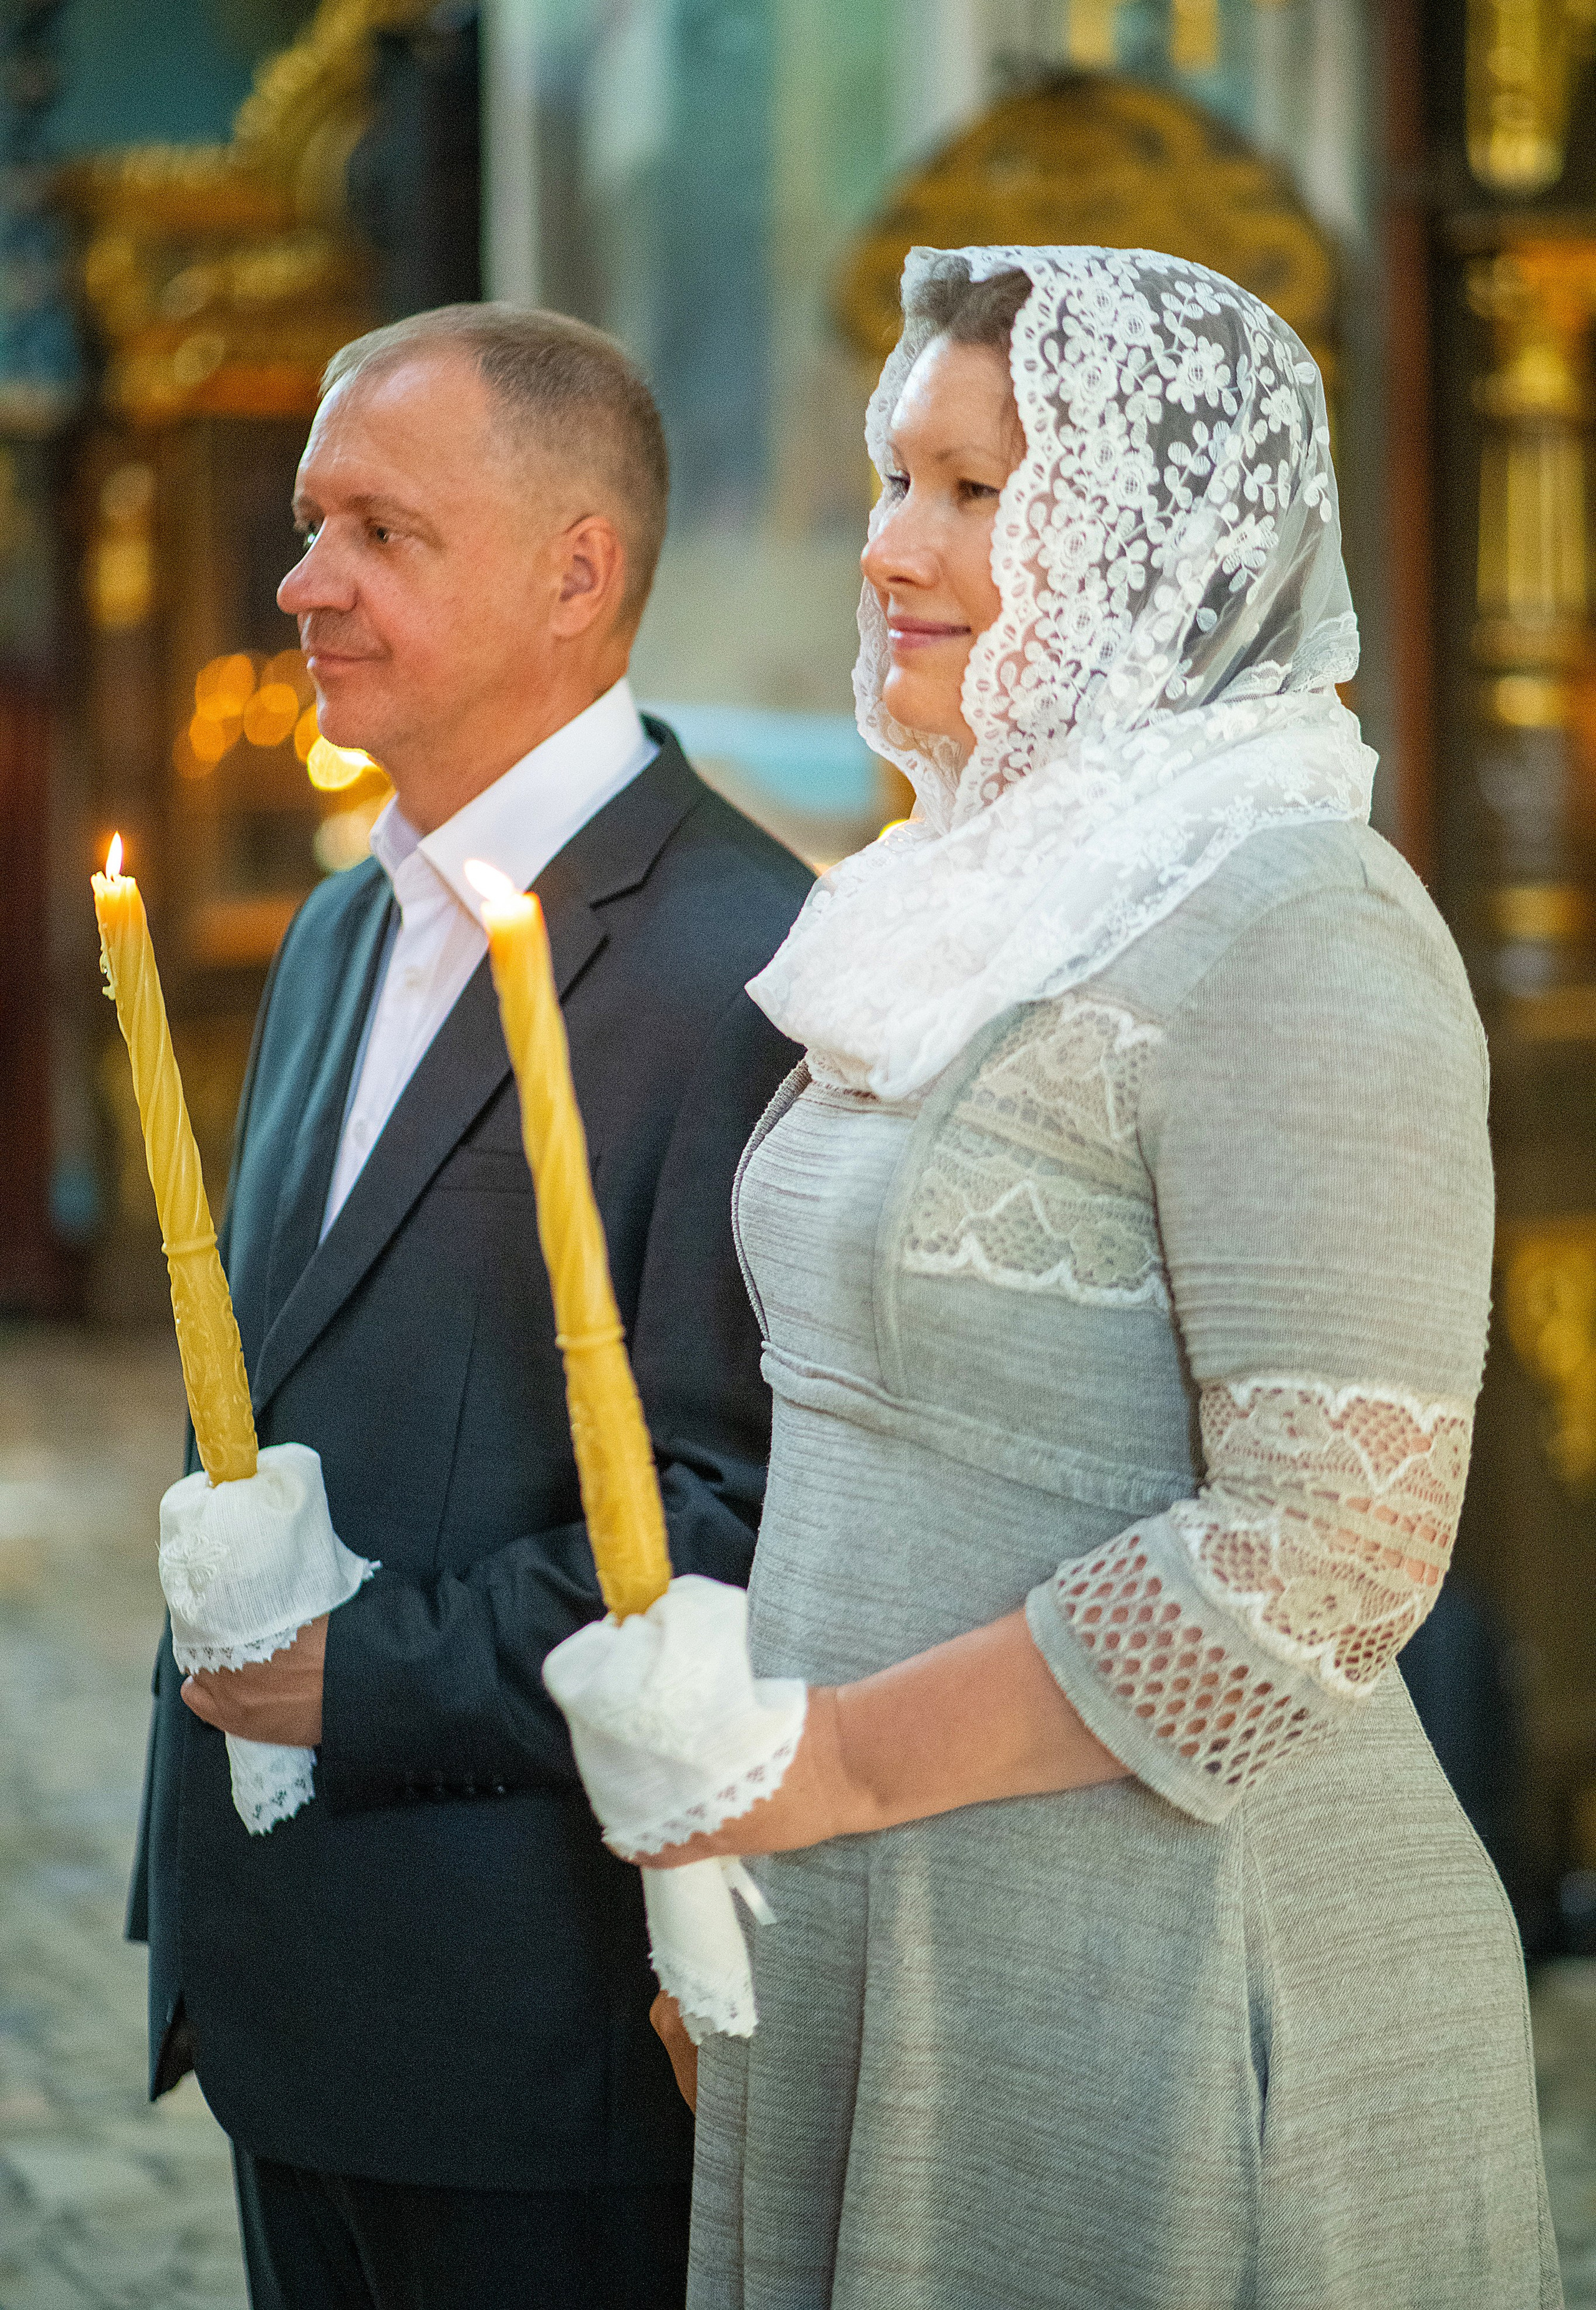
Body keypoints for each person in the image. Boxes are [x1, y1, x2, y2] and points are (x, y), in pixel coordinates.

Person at [556, 249, 1562, 2308]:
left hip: (1174, 1977)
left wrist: (825, 1770)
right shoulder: (953, 895)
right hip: (863, 1919)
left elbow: (1331, 1553)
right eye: (892, 478)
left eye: (976, 492)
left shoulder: (1299, 920)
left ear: (1152, 543)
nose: (891, 546)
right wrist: (760, 1852)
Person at [125, 304, 813, 2310]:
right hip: (284, 1988)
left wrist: (364, 1677)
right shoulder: (348, 919)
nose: (301, 576)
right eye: (308, 518)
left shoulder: (748, 969)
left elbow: (744, 1526)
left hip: (541, 2036)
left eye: (378, 531)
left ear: (574, 572)